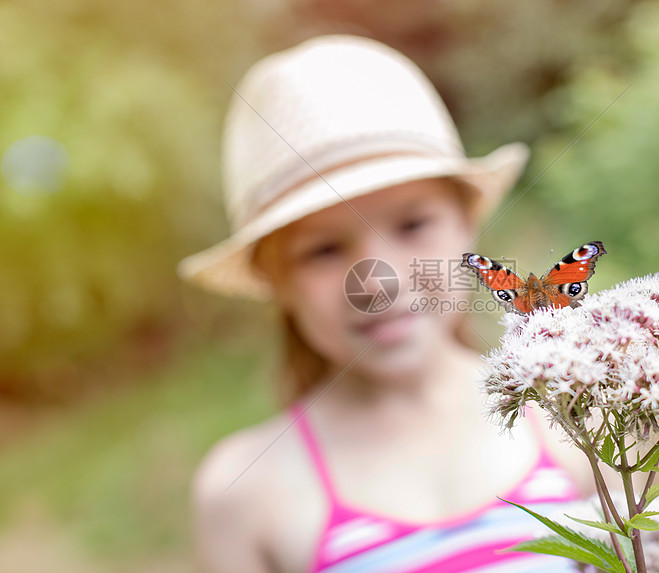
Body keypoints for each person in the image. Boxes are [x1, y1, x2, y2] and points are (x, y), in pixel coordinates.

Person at [180, 35, 592, 573]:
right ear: (274, 278)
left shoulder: (573, 416)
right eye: (324, 250)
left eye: (413, 225)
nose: (381, 281)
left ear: (467, 225)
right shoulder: (245, 494)